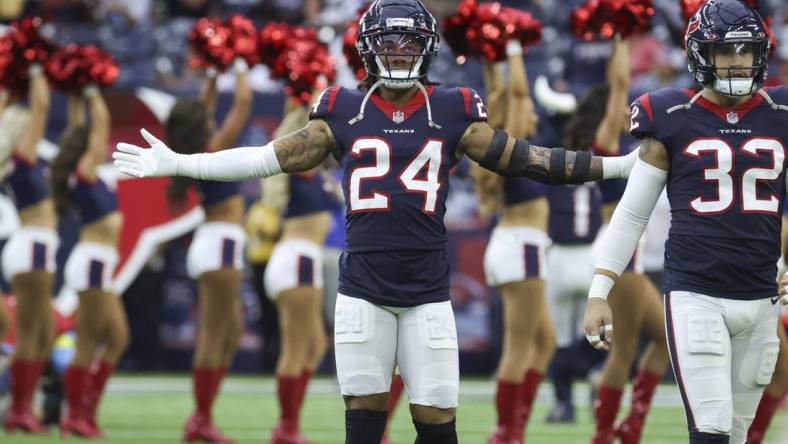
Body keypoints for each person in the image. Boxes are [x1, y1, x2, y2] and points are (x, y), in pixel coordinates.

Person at [113, 1, 637, 441]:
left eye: (409, 44)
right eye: (389, 43)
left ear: (427, 50)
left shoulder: (453, 107)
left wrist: (617, 165)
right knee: (362, 425)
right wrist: (181, 163)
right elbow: (266, 157)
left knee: (437, 423)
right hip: (362, 289)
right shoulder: (341, 108)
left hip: (428, 291)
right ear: (368, 50)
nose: (400, 53)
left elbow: (529, 159)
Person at [583, 1, 786, 443]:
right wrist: (600, 290)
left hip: (762, 296)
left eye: (745, 50)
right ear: (701, 55)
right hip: (697, 292)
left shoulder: (780, 112)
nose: (736, 61)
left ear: (760, 53)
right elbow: (632, 213)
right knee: (710, 431)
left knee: (736, 435)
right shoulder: (671, 115)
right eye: (724, 51)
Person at [585, 37, 670, 444]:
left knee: (663, 340)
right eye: (621, 107)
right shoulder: (609, 144)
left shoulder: (649, 148)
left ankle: (628, 425)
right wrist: (621, 35)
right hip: (616, 249)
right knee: (625, 347)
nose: (628, 113)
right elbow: (619, 84)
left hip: (629, 251)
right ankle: (608, 432)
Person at [164, 60, 252, 443]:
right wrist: (240, 64)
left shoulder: (197, 150)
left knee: (231, 331)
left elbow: (210, 106)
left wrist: (214, 75)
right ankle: (200, 419)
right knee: (215, 335)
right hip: (219, 243)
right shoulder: (212, 150)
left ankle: (203, 414)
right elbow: (244, 105)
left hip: (216, 242)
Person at [474, 43, 556, 444]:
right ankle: (505, 433)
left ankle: (514, 427)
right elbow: (518, 95)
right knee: (520, 347)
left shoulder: (496, 142)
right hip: (521, 244)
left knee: (545, 341)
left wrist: (490, 61)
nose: (535, 115)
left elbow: (504, 97)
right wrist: (513, 47)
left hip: (515, 241)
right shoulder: (511, 143)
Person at [50, 88, 130, 438]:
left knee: (117, 338)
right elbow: (99, 126)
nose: (103, 146)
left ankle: (86, 412)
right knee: (87, 342)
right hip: (93, 263)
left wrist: (76, 97)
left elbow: (78, 128)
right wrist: (92, 90)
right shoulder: (83, 172)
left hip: (100, 265)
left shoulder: (89, 174)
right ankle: (74, 416)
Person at [263, 101, 331, 444]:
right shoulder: (299, 166)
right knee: (295, 348)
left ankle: (290, 422)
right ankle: (286, 427)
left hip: (300, 259)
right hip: (297, 260)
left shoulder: (314, 171)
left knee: (315, 345)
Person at [1, 64, 58, 434]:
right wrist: (34, 65)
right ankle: (20, 407)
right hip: (31, 244)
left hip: (35, 245)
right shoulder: (21, 161)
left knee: (41, 331)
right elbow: (40, 107)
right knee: (32, 330)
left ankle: (24, 405)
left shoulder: (16, 161)